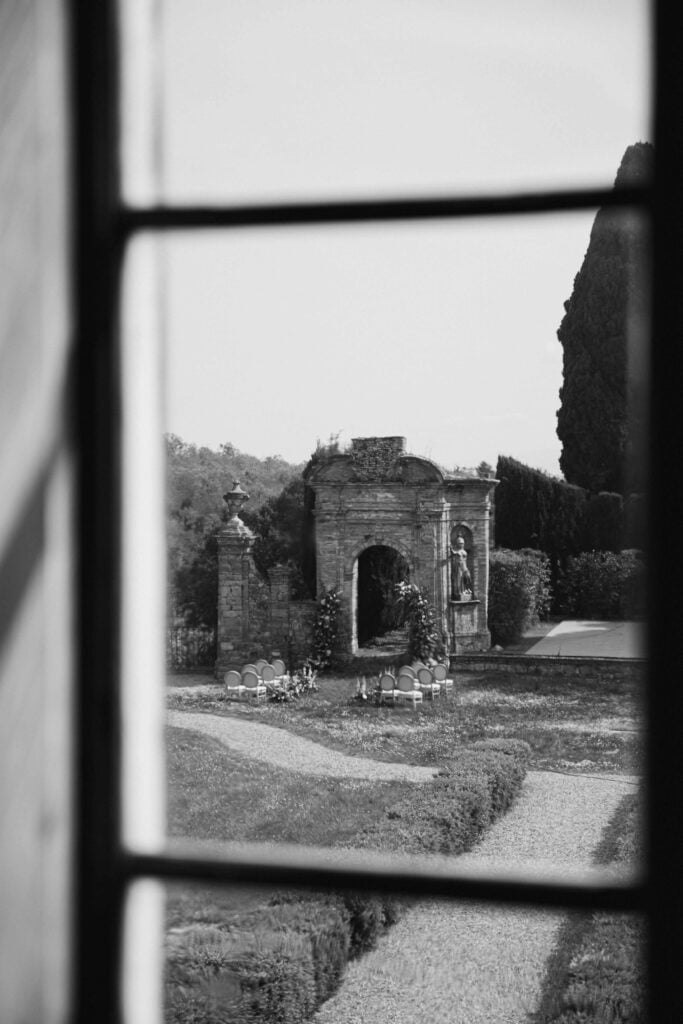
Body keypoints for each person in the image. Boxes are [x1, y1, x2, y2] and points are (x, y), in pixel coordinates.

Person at [451, 535, 473, 601]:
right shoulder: (456, 551)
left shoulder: (464, 552)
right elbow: (454, 553)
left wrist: (466, 569)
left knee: (465, 579)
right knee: (458, 580)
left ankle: (464, 591)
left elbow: (463, 560)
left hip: (464, 567)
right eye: (460, 543)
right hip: (458, 567)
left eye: (462, 543)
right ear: (457, 544)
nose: (461, 545)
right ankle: (458, 593)